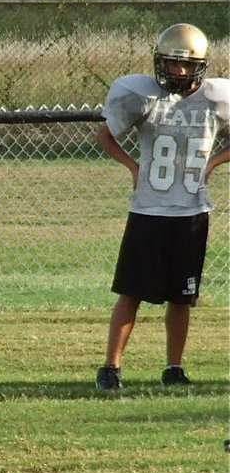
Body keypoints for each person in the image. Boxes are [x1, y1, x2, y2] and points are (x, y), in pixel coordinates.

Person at [94, 23, 229, 390]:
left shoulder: (217, 97)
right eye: (172, 63)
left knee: (183, 297)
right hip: (149, 211)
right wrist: (133, 166)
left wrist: (214, 162)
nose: (180, 71)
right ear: (160, 62)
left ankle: (173, 367)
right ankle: (110, 367)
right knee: (131, 292)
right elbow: (105, 134)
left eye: (187, 65)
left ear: (201, 66)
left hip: (191, 212)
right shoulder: (143, 95)